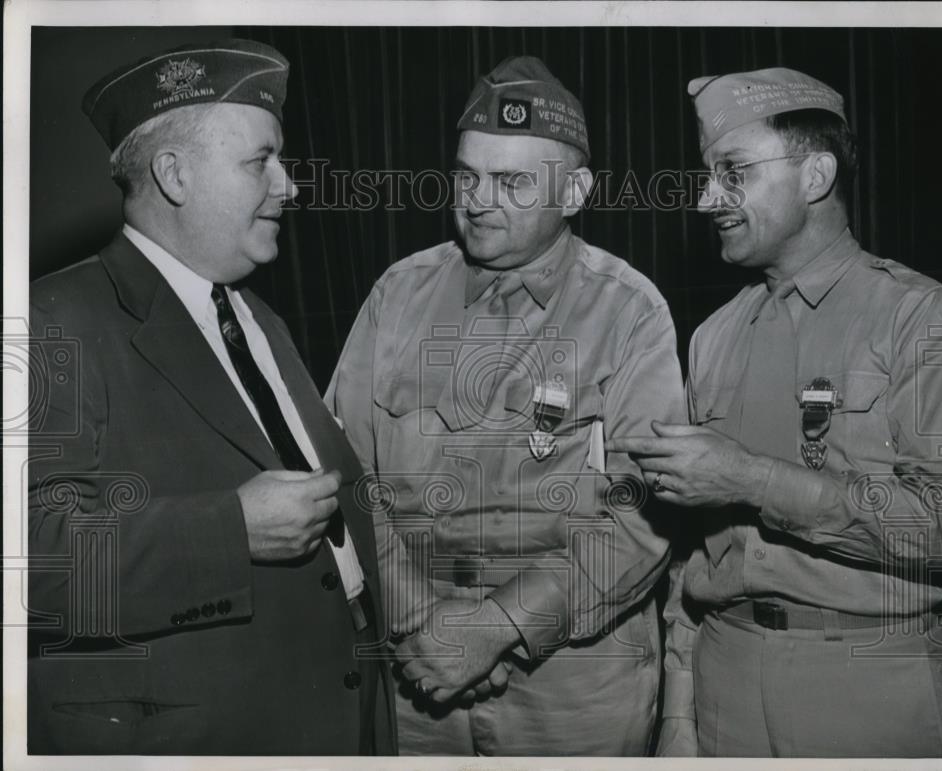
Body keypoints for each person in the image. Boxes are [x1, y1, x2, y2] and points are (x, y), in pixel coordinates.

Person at [27, 39, 395, 755]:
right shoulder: (54, 321)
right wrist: (232, 530)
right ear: (174, 174)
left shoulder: (259, 318)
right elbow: (34, 566)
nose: (289, 184)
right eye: (260, 161)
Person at [326, 55, 687, 756]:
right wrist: (417, 616)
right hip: (416, 669)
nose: (478, 199)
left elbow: (644, 511)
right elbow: (343, 473)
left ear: (576, 190)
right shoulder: (397, 296)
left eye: (512, 181)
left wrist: (497, 626)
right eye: (467, 175)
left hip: (575, 678)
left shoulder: (630, 312)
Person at [610, 67, 942, 757]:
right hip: (725, 679)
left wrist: (753, 479)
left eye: (733, 171)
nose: (709, 198)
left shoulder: (922, 319)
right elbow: (690, 549)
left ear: (816, 175)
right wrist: (679, 714)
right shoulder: (711, 338)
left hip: (870, 681)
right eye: (709, 174)